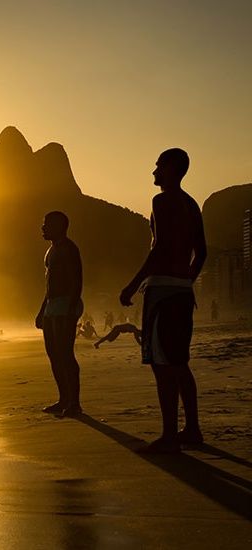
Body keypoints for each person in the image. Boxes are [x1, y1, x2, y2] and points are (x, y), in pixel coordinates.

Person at [120, 148, 207, 453]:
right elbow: (202, 252)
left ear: (171, 169)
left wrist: (132, 286)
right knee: (179, 362)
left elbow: (159, 248)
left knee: (162, 365)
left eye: (158, 166)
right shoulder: (191, 204)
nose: (154, 172)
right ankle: (192, 429)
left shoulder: (162, 200)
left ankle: (170, 435)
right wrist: (186, 281)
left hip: (162, 293)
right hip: (182, 292)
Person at [35, 211, 83, 417]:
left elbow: (77, 279)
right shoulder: (51, 250)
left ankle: (74, 403)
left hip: (65, 304)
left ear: (60, 226)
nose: (43, 227)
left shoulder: (69, 248)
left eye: (47, 224)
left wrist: (71, 307)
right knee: (53, 354)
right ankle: (63, 399)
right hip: (52, 305)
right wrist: (42, 310)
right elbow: (50, 285)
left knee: (65, 354)